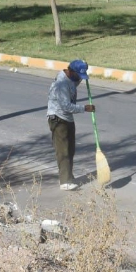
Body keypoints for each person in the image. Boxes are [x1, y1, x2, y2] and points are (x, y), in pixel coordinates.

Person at [47, 59, 95, 191]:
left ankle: (69, 176)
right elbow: (66, 106)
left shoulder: (71, 77)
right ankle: (65, 182)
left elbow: (75, 83)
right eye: (79, 75)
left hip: (67, 117)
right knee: (63, 150)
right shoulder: (61, 84)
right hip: (58, 118)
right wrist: (85, 108)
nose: (80, 79)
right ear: (71, 71)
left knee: (71, 149)